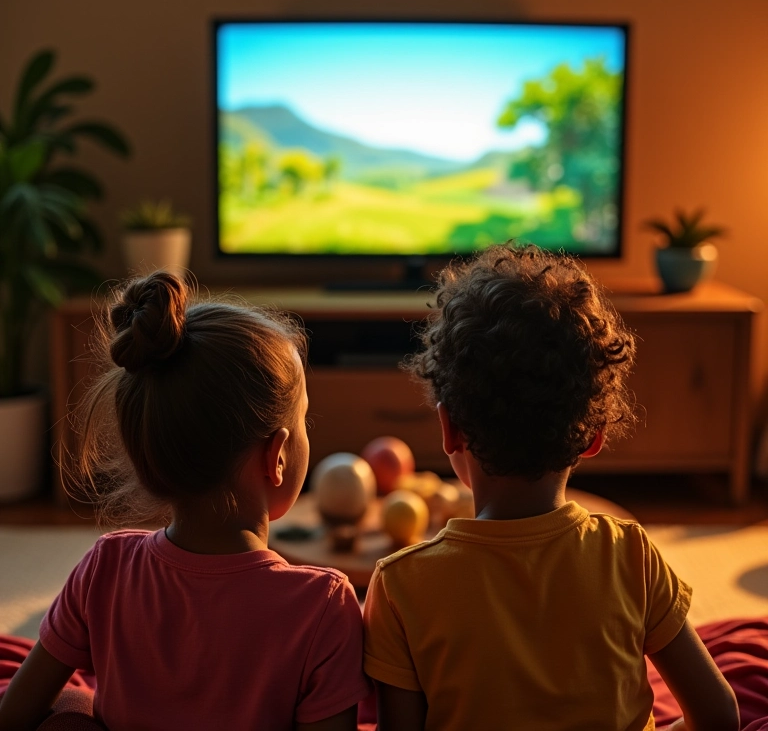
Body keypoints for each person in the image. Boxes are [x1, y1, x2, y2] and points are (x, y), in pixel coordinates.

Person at [362, 243, 739, 731]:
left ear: (448, 427)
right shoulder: (630, 554)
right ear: (594, 436)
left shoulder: (399, 587)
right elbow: (718, 715)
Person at [0, 272, 370, 731]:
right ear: (277, 457)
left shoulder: (106, 566)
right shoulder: (323, 605)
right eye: (305, 421)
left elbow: (14, 714)